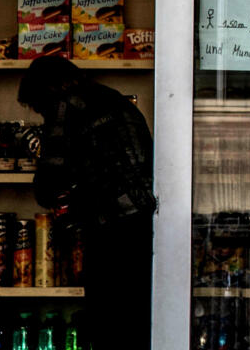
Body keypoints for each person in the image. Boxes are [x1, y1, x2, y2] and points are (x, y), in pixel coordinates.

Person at [20, 54, 154, 350]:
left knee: (105, 325)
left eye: (38, 107)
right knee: (135, 323)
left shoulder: (66, 104)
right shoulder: (117, 102)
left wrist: (50, 188)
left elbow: (50, 180)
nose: (42, 113)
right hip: (143, 227)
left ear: (47, 91)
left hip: (110, 230)